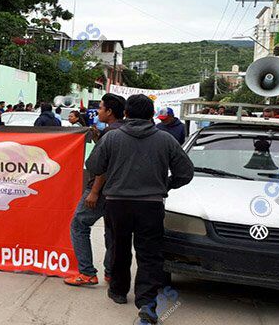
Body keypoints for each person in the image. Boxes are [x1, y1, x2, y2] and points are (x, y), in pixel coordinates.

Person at [86, 94, 193, 324]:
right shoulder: (165, 139)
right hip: (151, 204)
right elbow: (185, 172)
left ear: (126, 113)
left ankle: (118, 291)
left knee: (118, 247)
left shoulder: (112, 137)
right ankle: (147, 302)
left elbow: (94, 165)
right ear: (152, 114)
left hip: (117, 203)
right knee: (149, 254)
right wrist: (166, 184)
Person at [65, 93, 126, 287]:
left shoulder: (110, 133)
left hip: (101, 189)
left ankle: (86, 272)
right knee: (112, 232)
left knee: (78, 225)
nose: (98, 111)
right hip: (118, 191)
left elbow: (103, 167)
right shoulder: (123, 130)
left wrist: (94, 192)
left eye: (100, 108)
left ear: (109, 111)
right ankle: (111, 272)